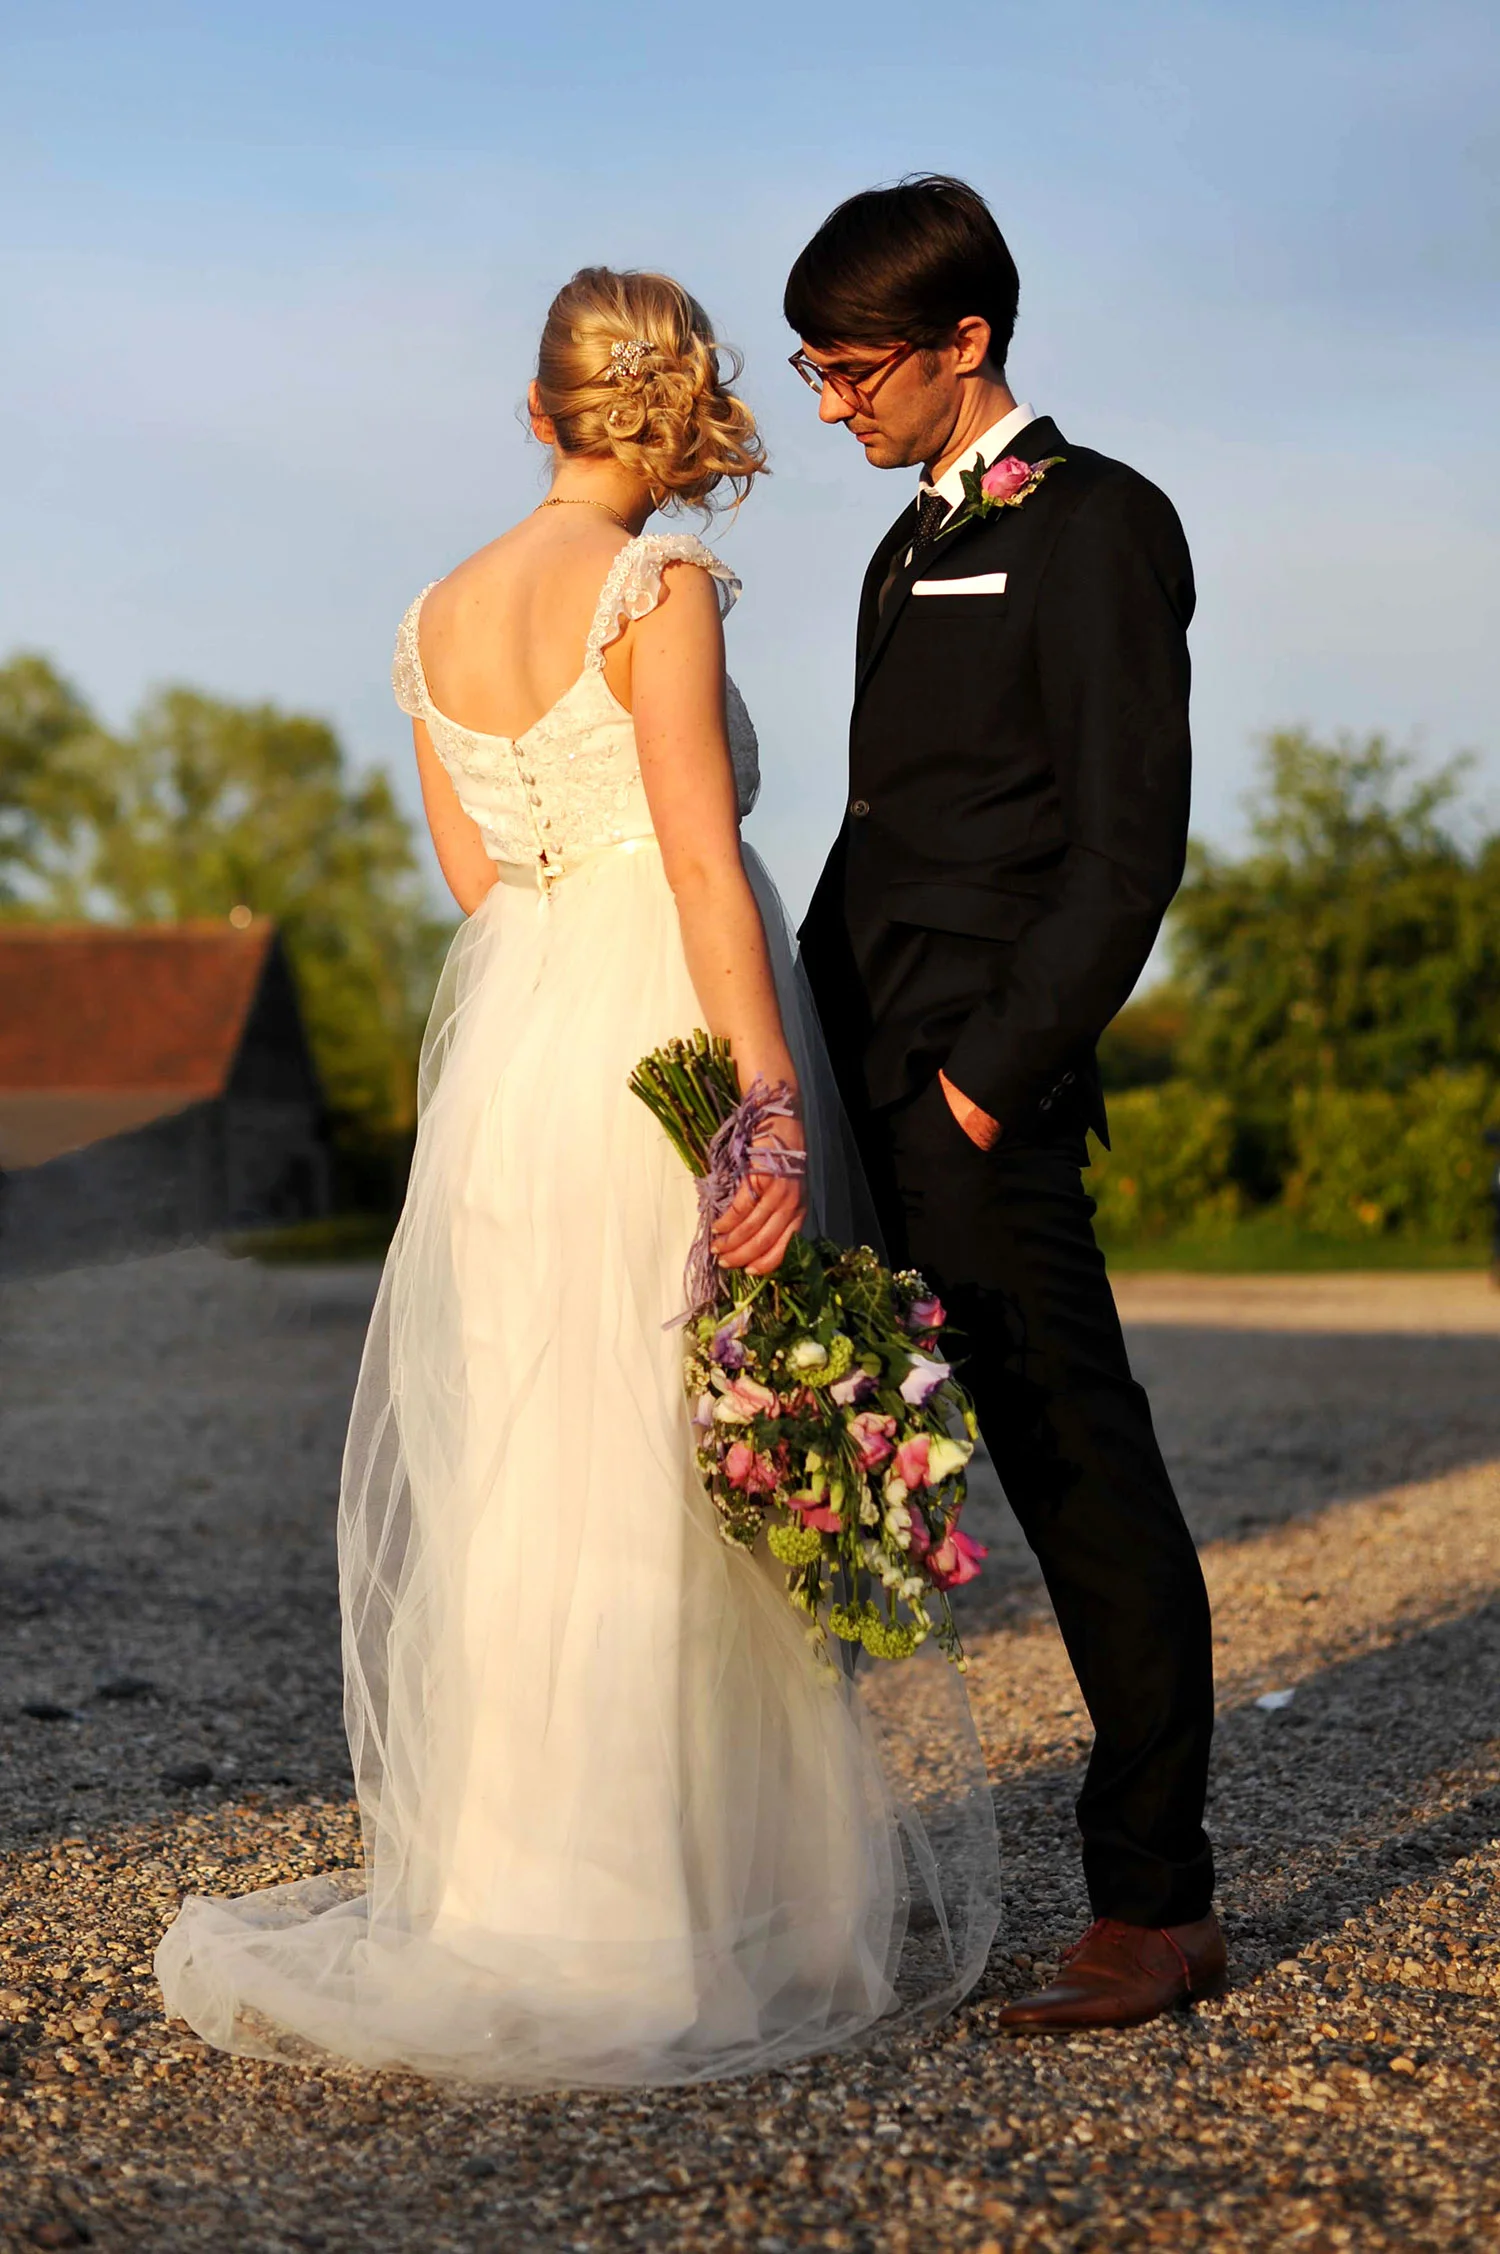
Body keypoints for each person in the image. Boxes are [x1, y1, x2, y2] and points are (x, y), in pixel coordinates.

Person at [155, 266, 1000, 2086]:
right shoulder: (657, 586)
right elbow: (697, 863)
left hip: (519, 1060)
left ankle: (513, 1903)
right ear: (668, 415)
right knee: (665, 1466)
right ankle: (675, 1919)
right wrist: (764, 1106)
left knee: (535, 1470)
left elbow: (479, 878)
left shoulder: (436, 617)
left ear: (537, 411)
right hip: (652, 1046)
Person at [786, 177, 1225, 2031]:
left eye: (853, 369)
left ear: (966, 341)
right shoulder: (903, 547)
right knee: (813, 1460)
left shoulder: (1103, 522)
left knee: (1080, 1480)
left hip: (977, 1094)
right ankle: (789, 1865)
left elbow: (1126, 853)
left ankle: (1156, 1903)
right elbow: (886, 827)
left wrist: (984, 1082)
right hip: (852, 1074)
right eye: (812, 372)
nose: (832, 407)